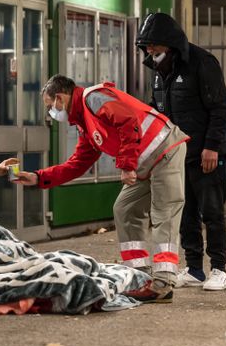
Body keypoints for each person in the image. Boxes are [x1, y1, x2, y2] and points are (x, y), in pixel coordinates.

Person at [14, 74, 189, 303]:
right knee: (124, 209)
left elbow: (128, 121)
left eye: (50, 107)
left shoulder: (94, 99)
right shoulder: (85, 122)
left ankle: (163, 283)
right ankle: (139, 274)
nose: (51, 113)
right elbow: (77, 165)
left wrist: (126, 165)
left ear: (60, 97)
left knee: (164, 213)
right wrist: (38, 178)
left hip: (164, 149)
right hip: (143, 162)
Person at [135, 12, 226, 291]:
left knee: (212, 212)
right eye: (146, 45)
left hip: (207, 154)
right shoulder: (160, 72)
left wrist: (212, 147)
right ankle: (194, 269)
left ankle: (219, 268)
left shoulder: (202, 63)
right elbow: (158, 113)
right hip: (177, 156)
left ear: (169, 42)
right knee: (186, 212)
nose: (149, 49)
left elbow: (220, 109)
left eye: (153, 44)